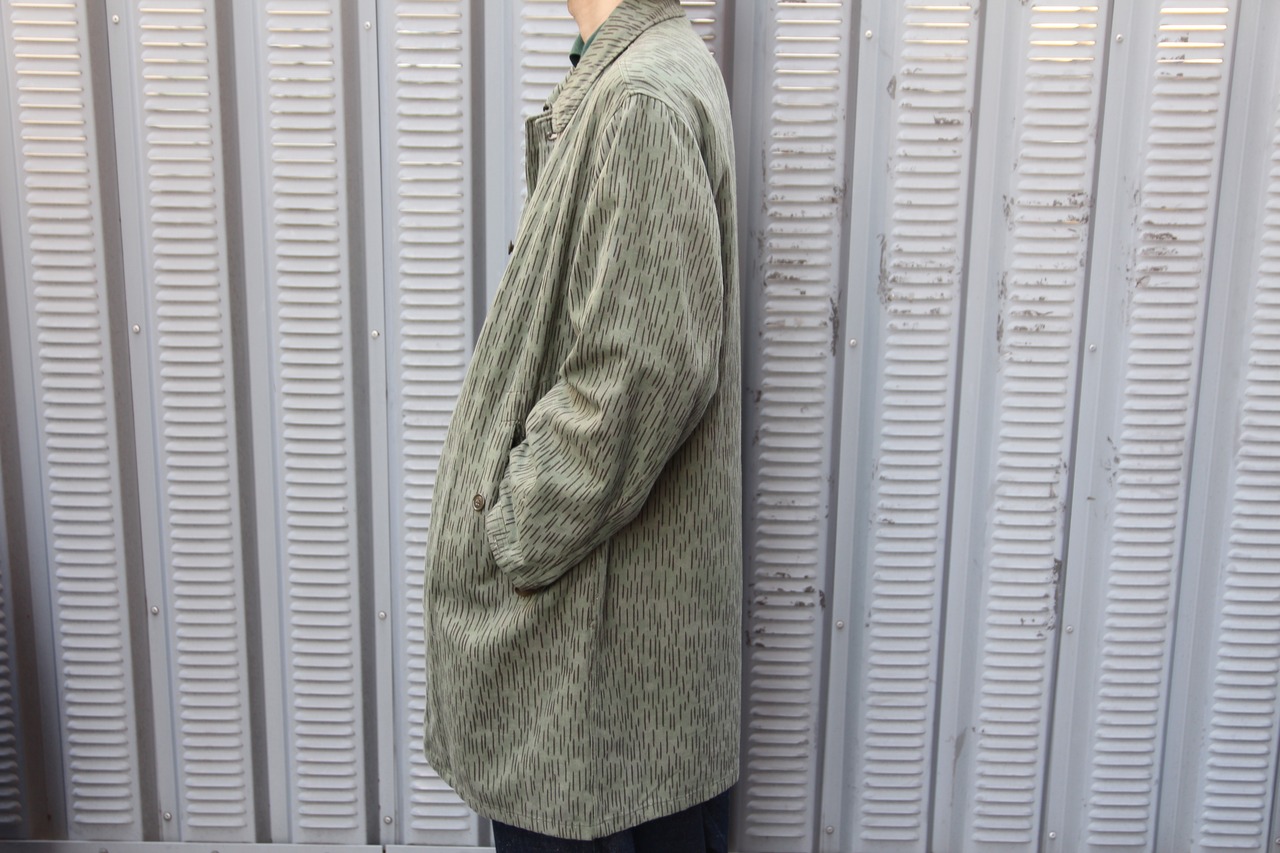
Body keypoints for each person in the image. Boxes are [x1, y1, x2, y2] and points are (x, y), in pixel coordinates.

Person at [420, 0, 741, 848]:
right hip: (605, 689)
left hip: (587, 690)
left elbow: (645, 369)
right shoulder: (642, 74)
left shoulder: (638, 100)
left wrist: (512, 528)